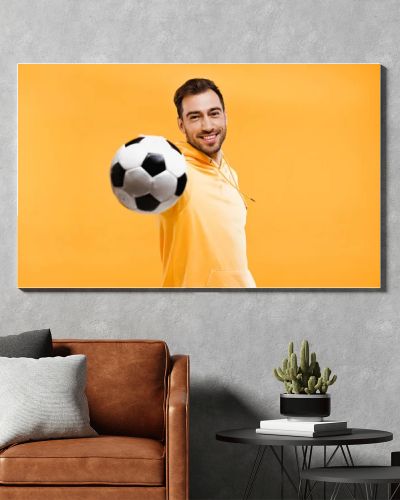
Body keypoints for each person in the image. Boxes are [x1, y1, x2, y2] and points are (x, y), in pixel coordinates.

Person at [159, 78, 256, 288]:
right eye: (195, 117)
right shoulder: (175, 172)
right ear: (181, 125)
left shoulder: (230, 174)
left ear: (225, 116)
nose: (208, 125)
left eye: (214, 113)